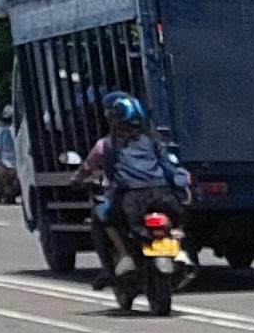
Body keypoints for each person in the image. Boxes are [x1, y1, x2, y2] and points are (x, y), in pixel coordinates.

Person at [79, 92, 190, 280]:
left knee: (101, 215)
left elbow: (86, 168)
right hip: (163, 195)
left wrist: (77, 179)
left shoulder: (105, 145)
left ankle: (122, 257)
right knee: (177, 218)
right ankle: (179, 250)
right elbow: (168, 168)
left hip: (129, 200)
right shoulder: (153, 141)